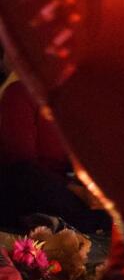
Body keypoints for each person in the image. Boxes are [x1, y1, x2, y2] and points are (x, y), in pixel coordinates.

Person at [0, 51, 112, 233]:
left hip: (64, 192)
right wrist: (75, 190)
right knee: (27, 178)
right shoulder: (19, 92)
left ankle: (74, 223)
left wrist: (91, 189)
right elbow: (19, 159)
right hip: (28, 187)